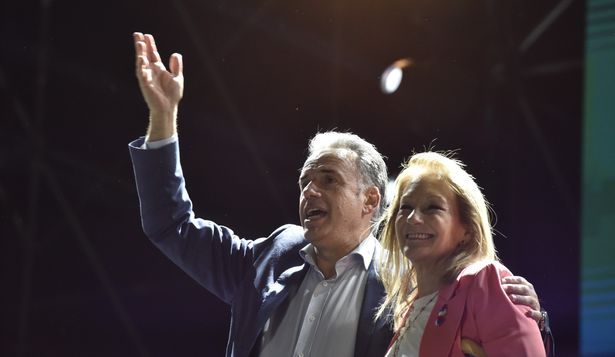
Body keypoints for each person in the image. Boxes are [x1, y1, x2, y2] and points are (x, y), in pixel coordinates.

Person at [128, 32, 547, 357]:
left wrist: (535, 317)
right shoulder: (269, 257)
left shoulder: (412, 282)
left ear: (370, 200)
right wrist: (163, 118)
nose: (310, 190)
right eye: (305, 181)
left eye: (328, 179)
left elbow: (502, 339)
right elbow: (170, 225)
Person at [377, 152, 546, 356]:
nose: (413, 218)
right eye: (406, 207)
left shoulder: (485, 281)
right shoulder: (410, 308)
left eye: (433, 207)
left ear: (467, 229)